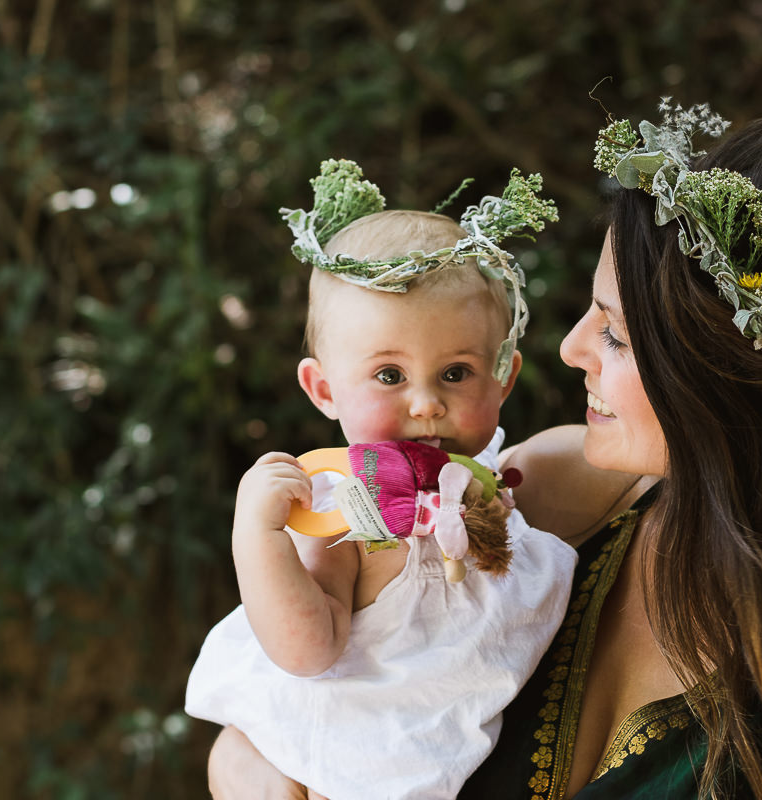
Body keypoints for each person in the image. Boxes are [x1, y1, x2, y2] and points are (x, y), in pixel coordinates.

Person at [207, 107, 762, 799]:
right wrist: (246, 774)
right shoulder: (555, 494)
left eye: (613, 331)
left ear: (728, 372)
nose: (572, 348)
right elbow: (298, 702)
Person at [186, 161, 578, 800]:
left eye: (456, 373)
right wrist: (256, 534)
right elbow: (306, 651)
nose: (426, 403)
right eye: (390, 376)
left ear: (503, 380)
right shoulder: (350, 513)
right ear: (324, 390)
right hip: (331, 769)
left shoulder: (499, 490)